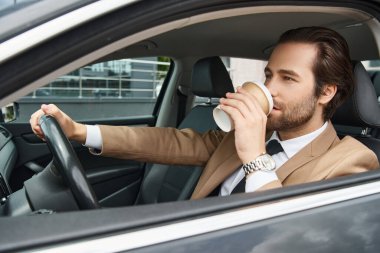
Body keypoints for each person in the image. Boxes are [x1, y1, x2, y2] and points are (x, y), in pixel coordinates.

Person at [30, 27, 379, 200]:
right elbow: (167, 142)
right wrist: (78, 131)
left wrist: (255, 157)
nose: (270, 88)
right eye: (269, 75)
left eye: (288, 79)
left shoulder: (353, 162)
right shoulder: (249, 136)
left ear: (326, 91)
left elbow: (294, 238)